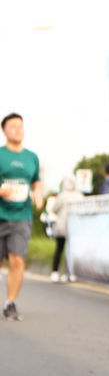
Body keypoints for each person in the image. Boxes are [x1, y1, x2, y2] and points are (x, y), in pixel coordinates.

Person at [0, 112, 43, 321]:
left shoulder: (31, 157)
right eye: (13, 126)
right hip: (1, 214)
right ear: (4, 130)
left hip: (21, 215)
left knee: (17, 260)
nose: (18, 130)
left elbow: (36, 181)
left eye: (20, 126)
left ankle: (11, 303)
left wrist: (38, 193)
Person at [46, 175, 84, 282]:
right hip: (75, 228)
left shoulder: (62, 195)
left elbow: (54, 209)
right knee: (72, 251)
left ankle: (55, 272)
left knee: (59, 249)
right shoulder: (79, 195)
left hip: (62, 226)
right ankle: (71, 274)